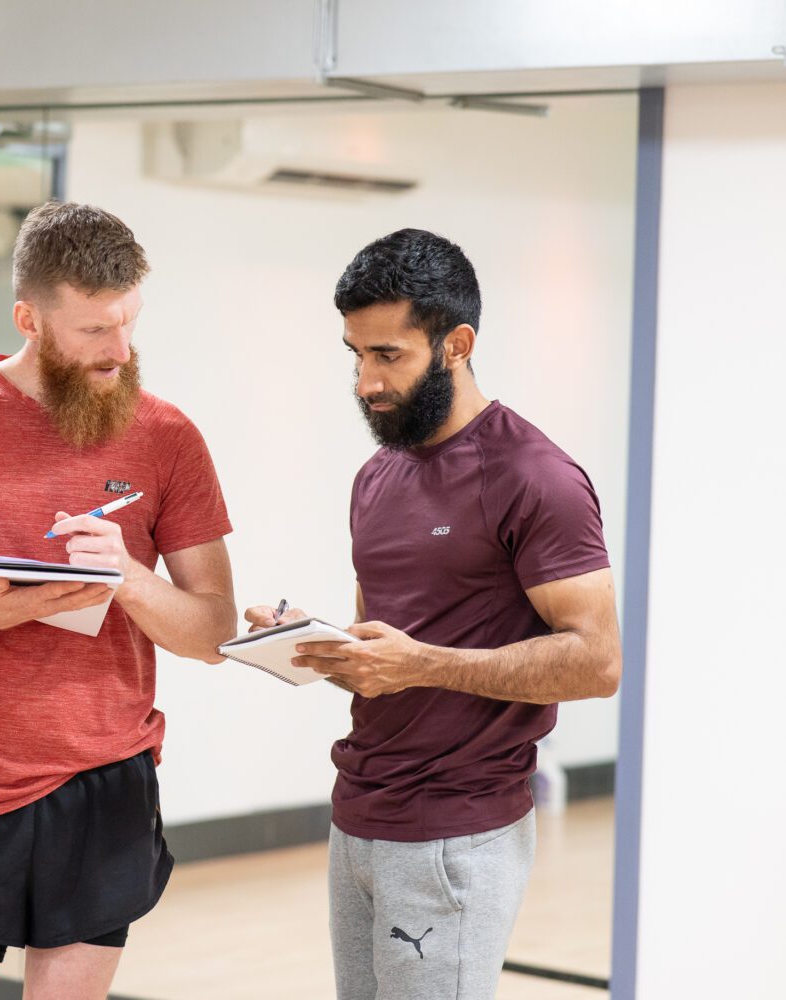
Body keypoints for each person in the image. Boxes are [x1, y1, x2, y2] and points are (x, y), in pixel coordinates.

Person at [0, 202, 238, 1000]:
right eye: (93, 332)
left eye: (128, 324)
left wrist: (130, 577)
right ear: (27, 318)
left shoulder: (168, 436)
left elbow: (213, 632)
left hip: (103, 785)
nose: (120, 352)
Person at [244, 228, 622, 1000]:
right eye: (355, 354)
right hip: (359, 815)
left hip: (458, 826)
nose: (365, 382)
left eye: (389, 356)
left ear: (456, 344)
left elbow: (597, 660)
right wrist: (311, 642)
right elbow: (386, 648)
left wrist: (423, 664)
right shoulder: (376, 476)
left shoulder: (535, 476)